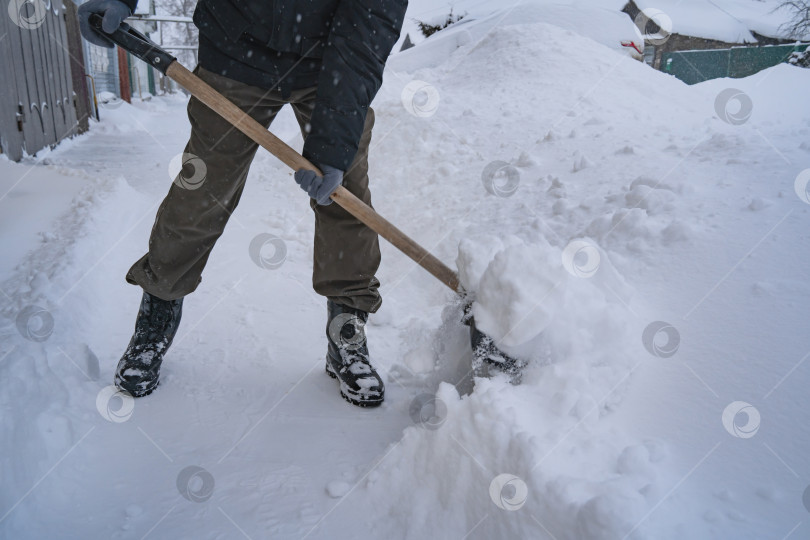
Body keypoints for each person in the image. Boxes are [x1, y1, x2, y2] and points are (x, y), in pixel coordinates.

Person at [77, 0, 407, 407]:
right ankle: (155, 319)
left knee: (346, 195)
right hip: (235, 51)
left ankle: (346, 333)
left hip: (330, 63)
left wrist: (334, 147)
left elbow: (366, 30)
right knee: (200, 192)